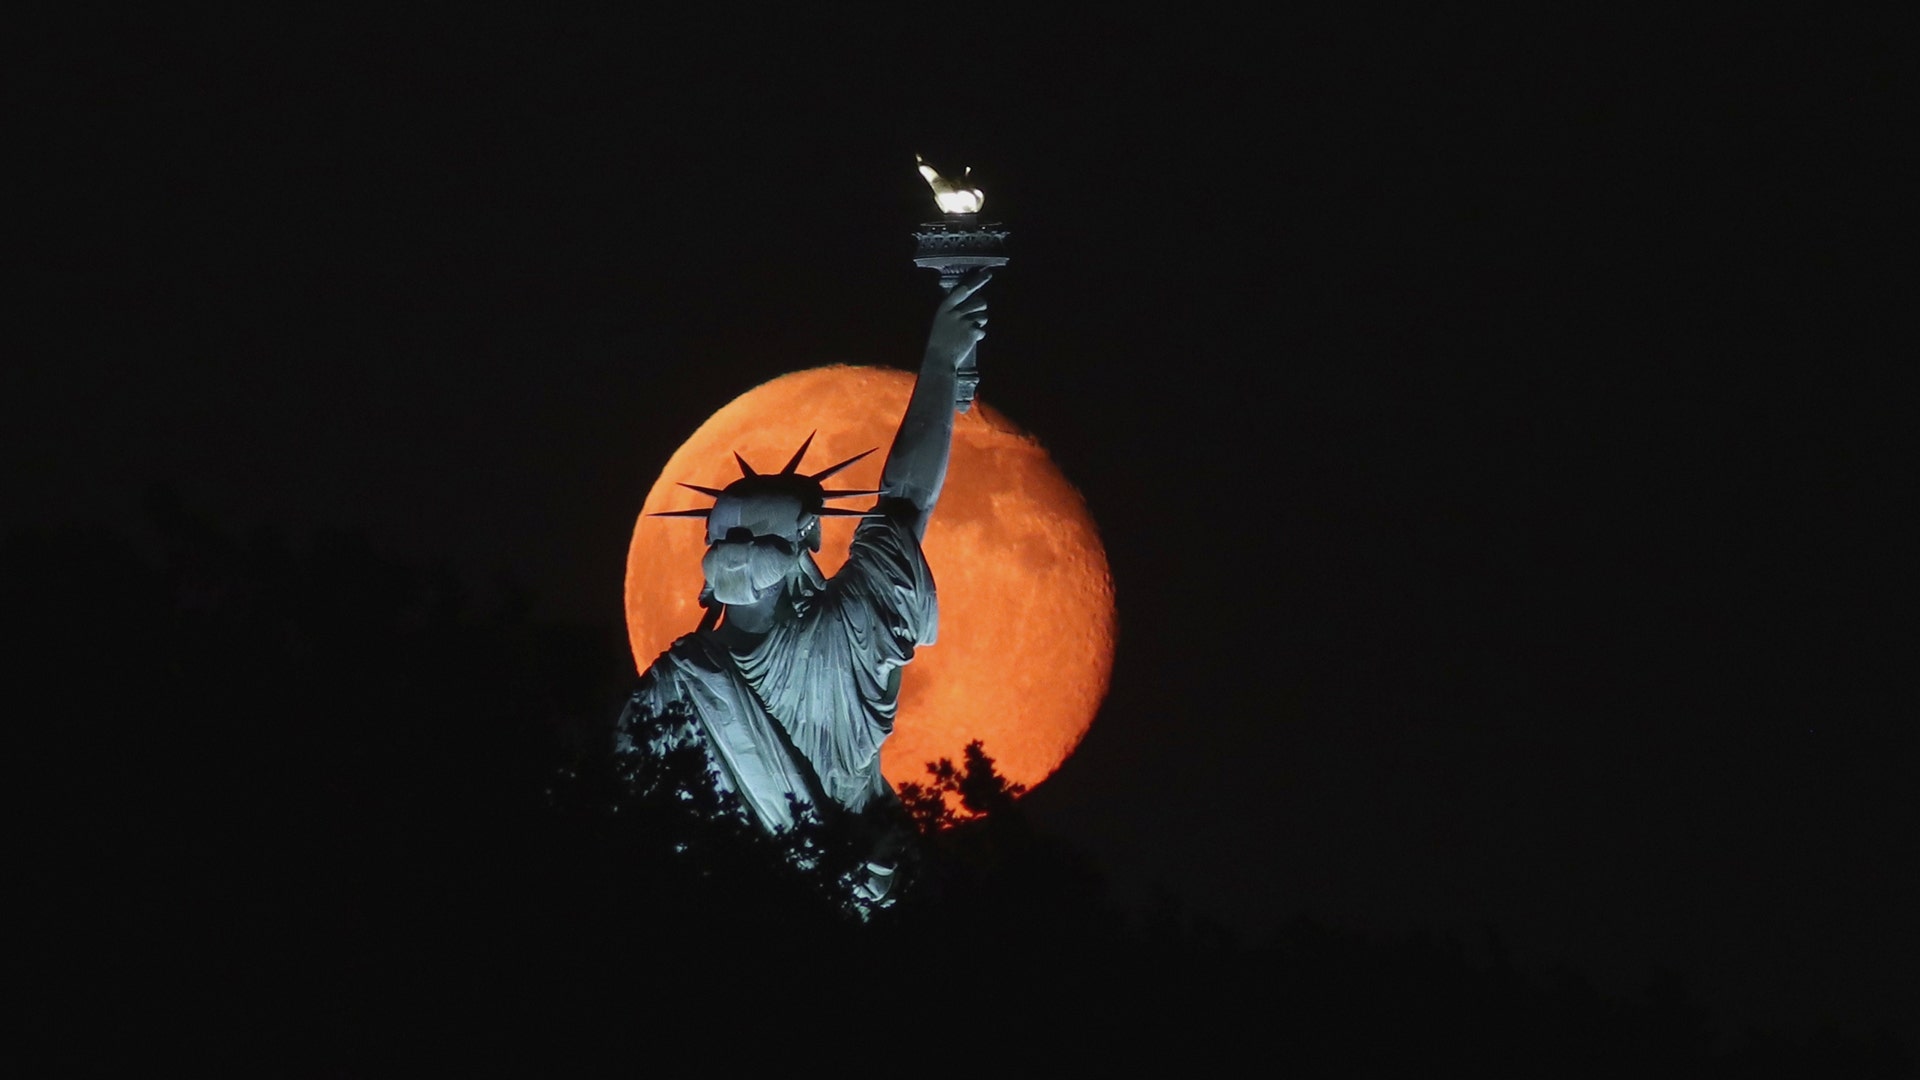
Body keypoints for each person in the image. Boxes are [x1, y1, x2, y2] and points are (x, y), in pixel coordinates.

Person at [615, 271, 992, 903]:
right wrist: (940, 362)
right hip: (848, 897)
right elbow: (905, 498)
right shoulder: (843, 636)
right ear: (806, 543)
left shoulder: (671, 685)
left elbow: (624, 805)